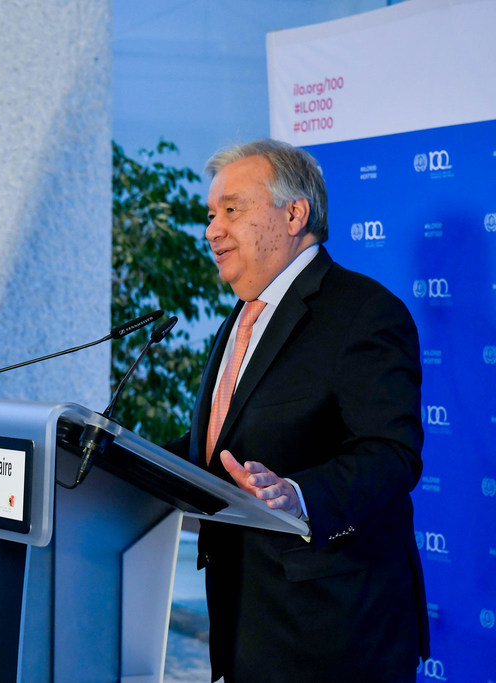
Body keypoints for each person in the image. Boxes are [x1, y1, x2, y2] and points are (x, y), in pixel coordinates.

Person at [164, 139, 429, 682]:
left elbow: (391, 453)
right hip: (247, 618)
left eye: (231, 210)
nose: (212, 230)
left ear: (294, 214)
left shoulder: (364, 312)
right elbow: (220, 449)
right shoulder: (240, 319)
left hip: (336, 633)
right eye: (211, 215)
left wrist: (298, 494)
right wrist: (111, 454)